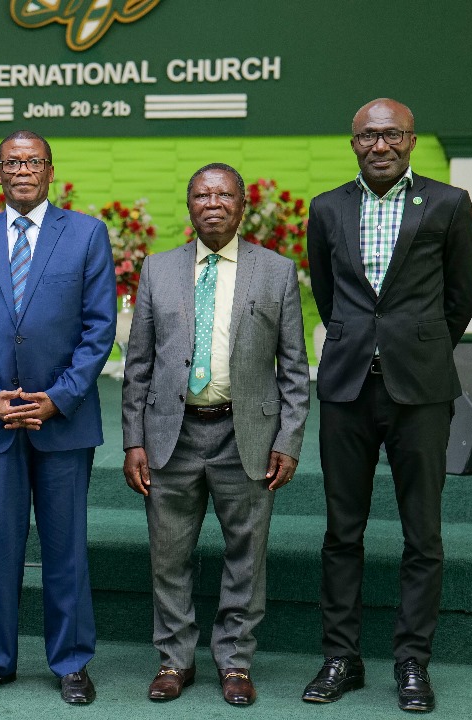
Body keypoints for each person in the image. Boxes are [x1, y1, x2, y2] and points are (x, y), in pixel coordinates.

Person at [301, 98, 472, 713]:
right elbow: (329, 295)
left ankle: (412, 663)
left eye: (393, 134)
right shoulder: (327, 208)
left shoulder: (448, 203)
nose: (381, 145)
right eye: (369, 136)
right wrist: (363, 341)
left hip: (421, 390)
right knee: (341, 532)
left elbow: (461, 296)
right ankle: (341, 658)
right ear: (354, 143)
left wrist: (416, 347)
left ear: (411, 140)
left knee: (422, 534)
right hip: (347, 388)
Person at [121, 163, 308, 706]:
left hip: (246, 435)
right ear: (189, 206)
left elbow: (295, 369)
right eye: (202, 195)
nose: (213, 204)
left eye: (224, 195)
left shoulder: (275, 271)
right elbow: (139, 365)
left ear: (242, 206)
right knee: (168, 556)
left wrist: (288, 440)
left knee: (246, 555)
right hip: (171, 435)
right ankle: (174, 660)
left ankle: (235, 662)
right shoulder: (158, 269)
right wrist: (133, 439)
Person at [0, 130, 116, 705]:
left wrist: (59, 397)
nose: (22, 170)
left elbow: (99, 329)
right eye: (12, 163)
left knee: (66, 549)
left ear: (50, 170)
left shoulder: (86, 234)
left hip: (62, 421)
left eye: (33, 161)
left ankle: (71, 662)